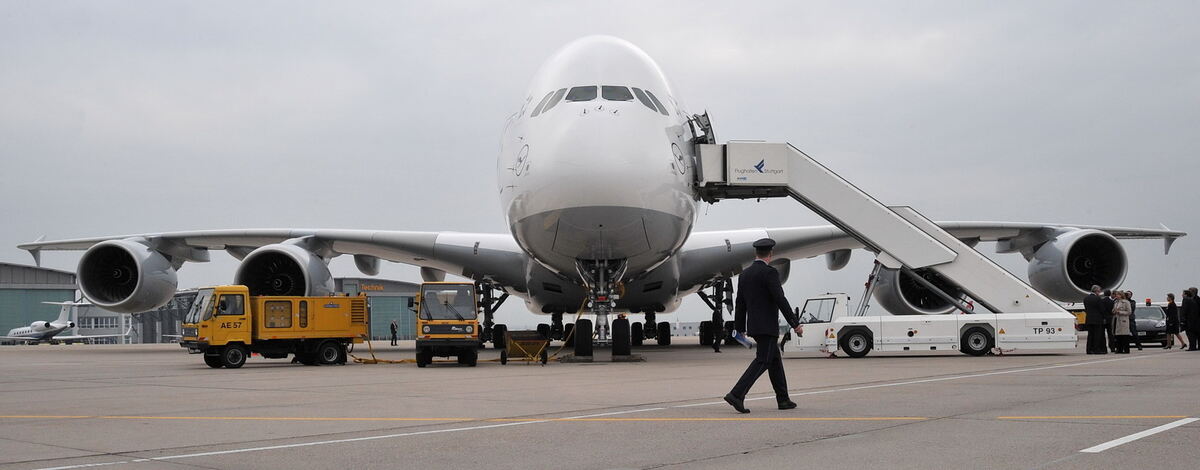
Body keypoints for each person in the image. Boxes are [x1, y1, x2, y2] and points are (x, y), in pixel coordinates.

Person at [724, 238, 803, 414]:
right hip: (767, 327)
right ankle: (736, 394)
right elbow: (780, 299)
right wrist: (795, 323)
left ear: (756, 253)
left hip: (754, 326)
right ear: (771, 253)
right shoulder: (770, 273)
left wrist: (739, 328)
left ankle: (783, 399)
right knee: (763, 361)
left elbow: (740, 304)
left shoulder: (745, 274)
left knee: (775, 362)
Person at [1082, 285, 1108, 354]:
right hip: (1097, 319)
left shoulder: (1086, 298)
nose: (1099, 292)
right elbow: (1102, 309)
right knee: (1097, 335)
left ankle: (1089, 350)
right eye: (1099, 291)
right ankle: (1096, 349)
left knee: (1090, 335)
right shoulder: (1097, 299)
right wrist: (1105, 317)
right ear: (1096, 291)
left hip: (1089, 319)